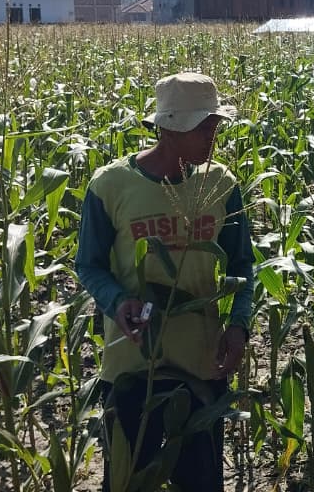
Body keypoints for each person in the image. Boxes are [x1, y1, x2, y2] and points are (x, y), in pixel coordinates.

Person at [74, 72, 255, 492]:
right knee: (126, 481)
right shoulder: (111, 185)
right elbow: (89, 265)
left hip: (201, 364)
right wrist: (118, 302)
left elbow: (242, 265)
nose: (212, 136)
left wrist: (238, 324)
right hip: (132, 366)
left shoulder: (221, 184)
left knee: (201, 482)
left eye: (215, 125)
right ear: (169, 127)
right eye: (203, 126)